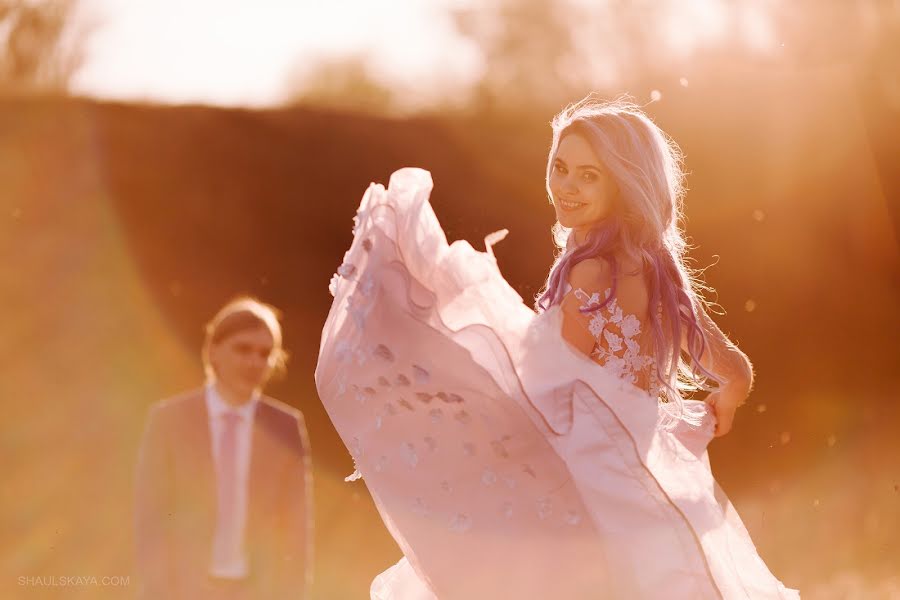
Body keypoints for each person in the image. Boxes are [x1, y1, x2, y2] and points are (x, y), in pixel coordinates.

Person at [316, 97, 798, 598]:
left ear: (625, 182)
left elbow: (543, 391)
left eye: (589, 176)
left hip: (583, 490)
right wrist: (726, 401)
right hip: (648, 481)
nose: (566, 187)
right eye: (561, 167)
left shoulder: (592, 274)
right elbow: (735, 369)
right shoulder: (658, 272)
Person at [135, 297, 313, 600]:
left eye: (265, 353)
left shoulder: (286, 427)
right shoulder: (168, 420)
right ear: (213, 350)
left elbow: (298, 531)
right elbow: (150, 518)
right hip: (182, 590)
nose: (255, 362)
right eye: (243, 349)